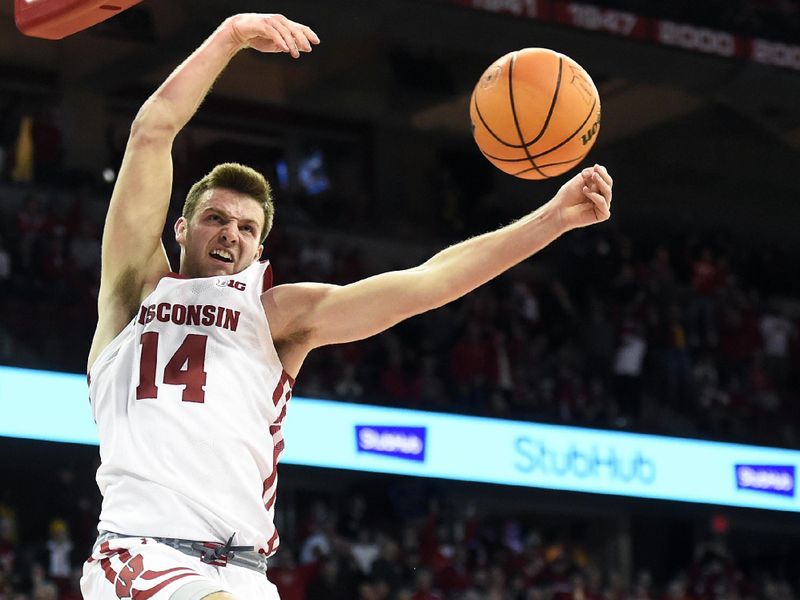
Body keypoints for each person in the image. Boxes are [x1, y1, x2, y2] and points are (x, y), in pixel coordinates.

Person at [79, 12, 613, 600]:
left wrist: (551, 220)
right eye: (215, 218)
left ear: (260, 249)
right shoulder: (135, 292)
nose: (230, 233)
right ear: (181, 228)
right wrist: (231, 35)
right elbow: (151, 131)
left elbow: (427, 282)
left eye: (246, 227)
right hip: (142, 553)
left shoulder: (279, 316)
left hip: (243, 570)